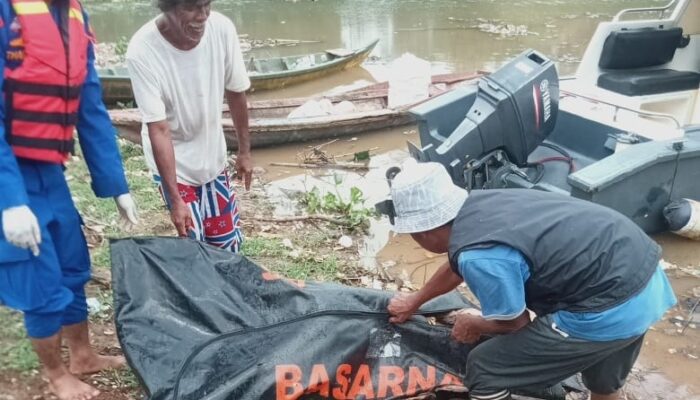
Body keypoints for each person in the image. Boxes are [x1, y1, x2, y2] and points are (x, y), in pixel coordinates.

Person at [384, 161, 677, 400]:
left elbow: (515, 323)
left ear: (423, 232)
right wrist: (415, 301)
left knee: (486, 367)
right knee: (603, 381)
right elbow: (455, 265)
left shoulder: (478, 256)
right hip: (645, 280)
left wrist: (473, 322)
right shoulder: (482, 204)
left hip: (607, 309)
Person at [0, 0, 139, 398]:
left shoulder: (75, 14)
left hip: (50, 171)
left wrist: (117, 185)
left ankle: (83, 355)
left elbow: (90, 105)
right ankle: (56, 374)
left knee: (73, 262)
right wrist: (9, 200)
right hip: (9, 170)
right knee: (36, 275)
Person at [126, 0, 252, 253]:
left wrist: (244, 152)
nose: (202, 16)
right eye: (192, 8)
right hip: (175, 161)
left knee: (226, 244)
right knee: (194, 242)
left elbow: (236, 92)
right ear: (167, 7)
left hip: (211, 155)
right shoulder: (142, 51)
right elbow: (159, 129)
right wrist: (175, 200)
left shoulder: (222, 29)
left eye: (206, 5)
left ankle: (225, 291)